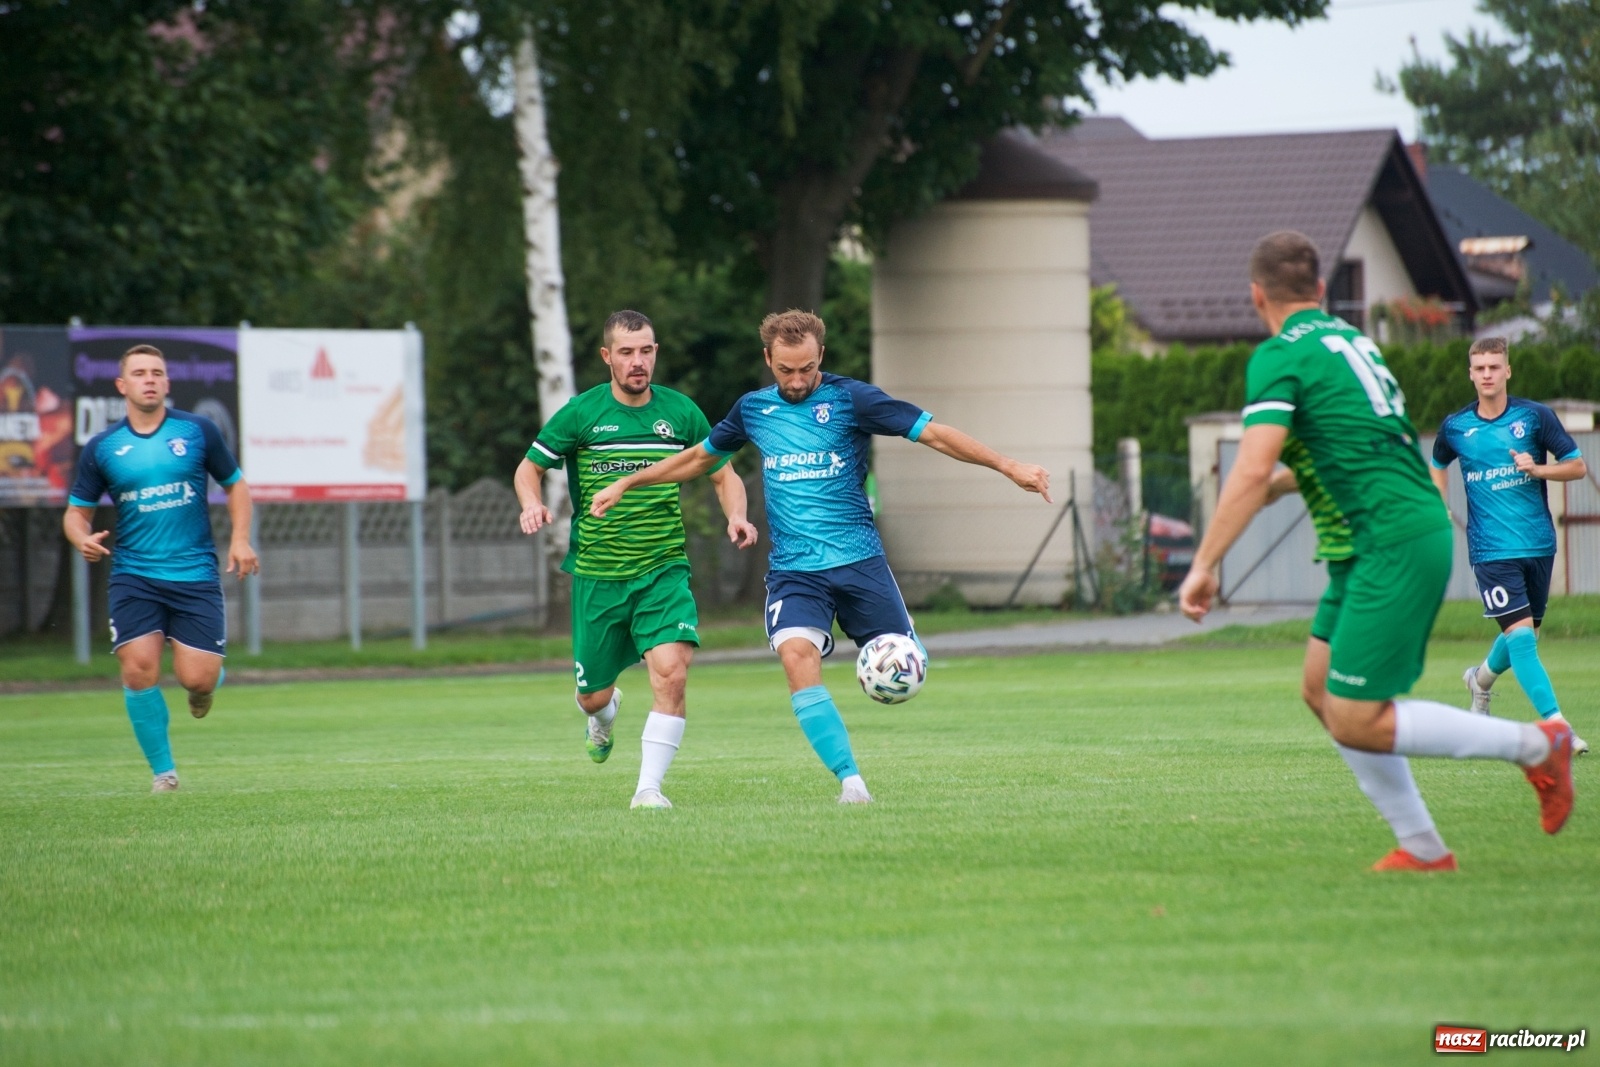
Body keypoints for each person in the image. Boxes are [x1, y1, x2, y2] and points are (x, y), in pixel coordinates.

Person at [1177, 231, 1574, 871]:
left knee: (1358, 715)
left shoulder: (1279, 356)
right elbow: (1353, 447)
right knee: (1319, 691)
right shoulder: (1351, 342)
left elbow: (1249, 470)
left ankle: (1537, 745)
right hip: (1371, 541)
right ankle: (1422, 847)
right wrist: (1286, 483)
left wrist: (1204, 566)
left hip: (1387, 539)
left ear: (1256, 296)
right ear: (1322, 292)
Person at [590, 309, 1052, 804]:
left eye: (807, 368)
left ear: (821, 357)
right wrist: (628, 480)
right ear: (768, 359)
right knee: (796, 655)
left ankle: (892, 653)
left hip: (860, 561)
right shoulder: (753, 409)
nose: (797, 380)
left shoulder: (852, 399)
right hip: (794, 571)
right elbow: (701, 457)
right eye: (786, 370)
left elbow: (934, 433)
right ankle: (851, 783)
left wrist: (1008, 466)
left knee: (909, 666)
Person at [514, 310, 758, 810]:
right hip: (598, 574)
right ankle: (602, 716)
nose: (637, 361)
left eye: (646, 350)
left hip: (662, 567)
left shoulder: (681, 412)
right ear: (607, 357)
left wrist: (737, 514)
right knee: (592, 696)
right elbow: (528, 467)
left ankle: (648, 789)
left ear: (655, 353)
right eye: (626, 352)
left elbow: (722, 473)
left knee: (671, 671)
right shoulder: (581, 414)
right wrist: (531, 502)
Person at [62, 345, 258, 793]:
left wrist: (241, 539)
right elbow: (76, 513)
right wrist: (81, 537)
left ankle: (205, 687)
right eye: (139, 373)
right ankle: (163, 774)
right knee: (138, 669)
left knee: (197, 677)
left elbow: (237, 486)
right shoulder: (104, 448)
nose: (149, 379)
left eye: (157, 373)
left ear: (167, 383)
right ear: (122, 385)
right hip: (135, 575)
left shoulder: (197, 431)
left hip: (194, 573)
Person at [1430, 337, 1588, 754]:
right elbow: (1437, 463)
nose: (1486, 375)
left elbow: (1577, 466)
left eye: (1494, 367)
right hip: (1490, 550)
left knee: (1528, 633)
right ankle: (1557, 727)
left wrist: (1536, 469)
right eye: (1479, 368)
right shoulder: (1456, 427)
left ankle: (1479, 680)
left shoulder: (1534, 418)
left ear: (1507, 370)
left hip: (1538, 543)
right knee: (1521, 639)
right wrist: (1439, 506)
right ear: (1470, 373)